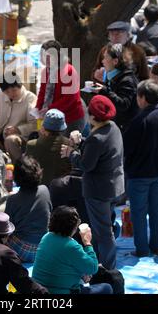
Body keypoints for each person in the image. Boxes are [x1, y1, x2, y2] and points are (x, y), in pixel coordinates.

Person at [67, 95, 124, 270]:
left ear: (92, 117)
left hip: (98, 191)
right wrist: (82, 142)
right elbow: (100, 152)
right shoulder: (112, 127)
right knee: (108, 226)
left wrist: (71, 152)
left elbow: (86, 164)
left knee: (103, 232)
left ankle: (107, 269)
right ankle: (105, 260)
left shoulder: (96, 138)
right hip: (114, 186)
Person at [123, 80, 158, 256]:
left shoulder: (139, 121)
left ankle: (142, 249)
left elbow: (127, 148)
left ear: (143, 98)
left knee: (139, 214)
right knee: (157, 211)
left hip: (139, 175)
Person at [32, 206, 112, 294]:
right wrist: (87, 242)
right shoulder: (71, 246)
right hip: (62, 292)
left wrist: (81, 274)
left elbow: (60, 264)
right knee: (107, 288)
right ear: (74, 227)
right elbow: (93, 268)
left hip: (39, 290)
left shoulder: (46, 237)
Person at [5, 157, 52, 263]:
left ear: (16, 177)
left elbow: (7, 228)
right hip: (44, 247)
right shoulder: (45, 190)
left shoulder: (12, 200)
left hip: (22, 249)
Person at [0, 74, 37, 162]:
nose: (11, 94)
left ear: (20, 85)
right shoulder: (1, 96)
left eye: (14, 90)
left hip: (21, 138)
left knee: (10, 140)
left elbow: (35, 125)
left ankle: (20, 168)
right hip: (0, 134)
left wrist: (18, 129)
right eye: (7, 92)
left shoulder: (30, 98)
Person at [36, 40, 85, 134]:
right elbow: (42, 92)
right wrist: (37, 108)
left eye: (49, 57)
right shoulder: (45, 71)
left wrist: (49, 109)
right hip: (52, 118)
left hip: (71, 118)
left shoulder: (69, 71)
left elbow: (70, 98)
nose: (46, 60)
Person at [94, 43, 139, 130]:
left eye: (106, 57)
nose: (102, 61)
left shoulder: (127, 80)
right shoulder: (111, 76)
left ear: (115, 61)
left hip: (125, 128)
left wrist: (104, 91)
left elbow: (123, 104)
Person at [26, 109, 71, 186]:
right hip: (62, 189)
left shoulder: (31, 145)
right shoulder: (70, 145)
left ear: (43, 127)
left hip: (38, 188)